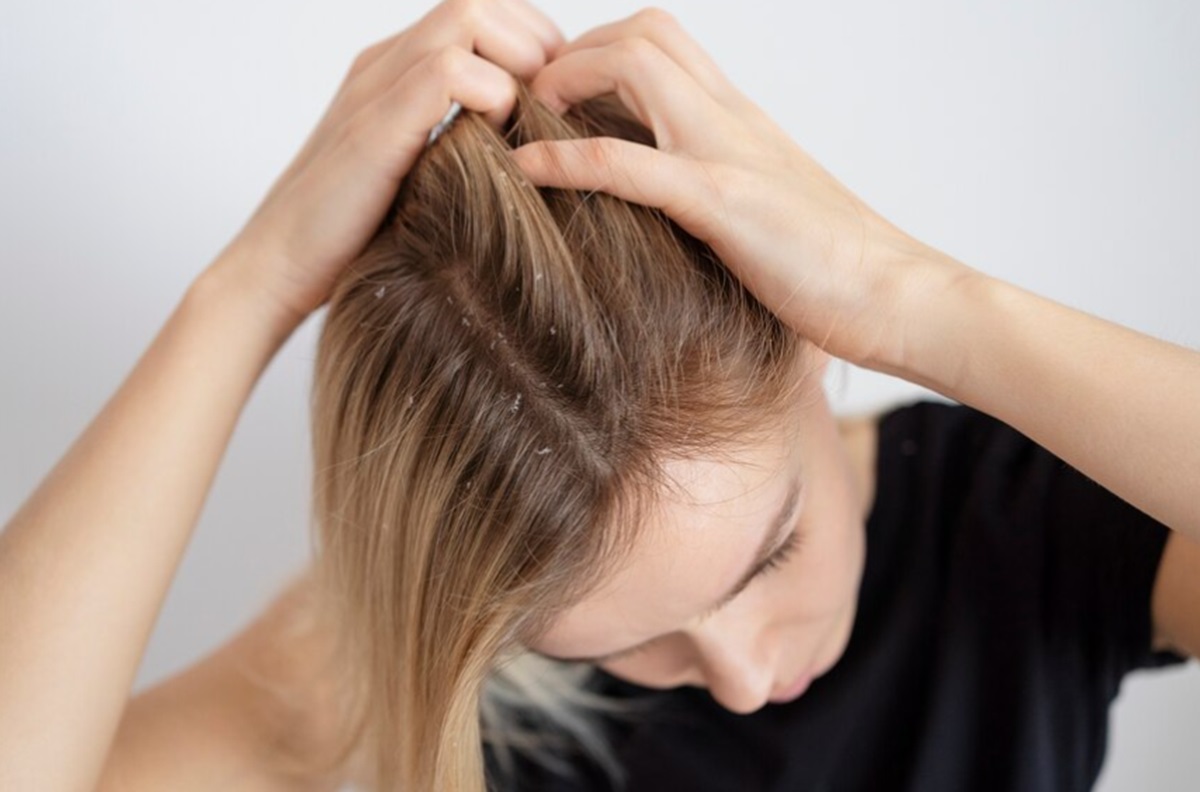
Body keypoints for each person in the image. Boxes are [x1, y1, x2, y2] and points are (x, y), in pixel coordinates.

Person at [0, 2, 1196, 791]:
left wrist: (910, 294)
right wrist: (247, 289)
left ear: (815, 344)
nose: (735, 672)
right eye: (625, 643)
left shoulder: (1025, 524)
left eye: (772, 554)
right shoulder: (394, 672)